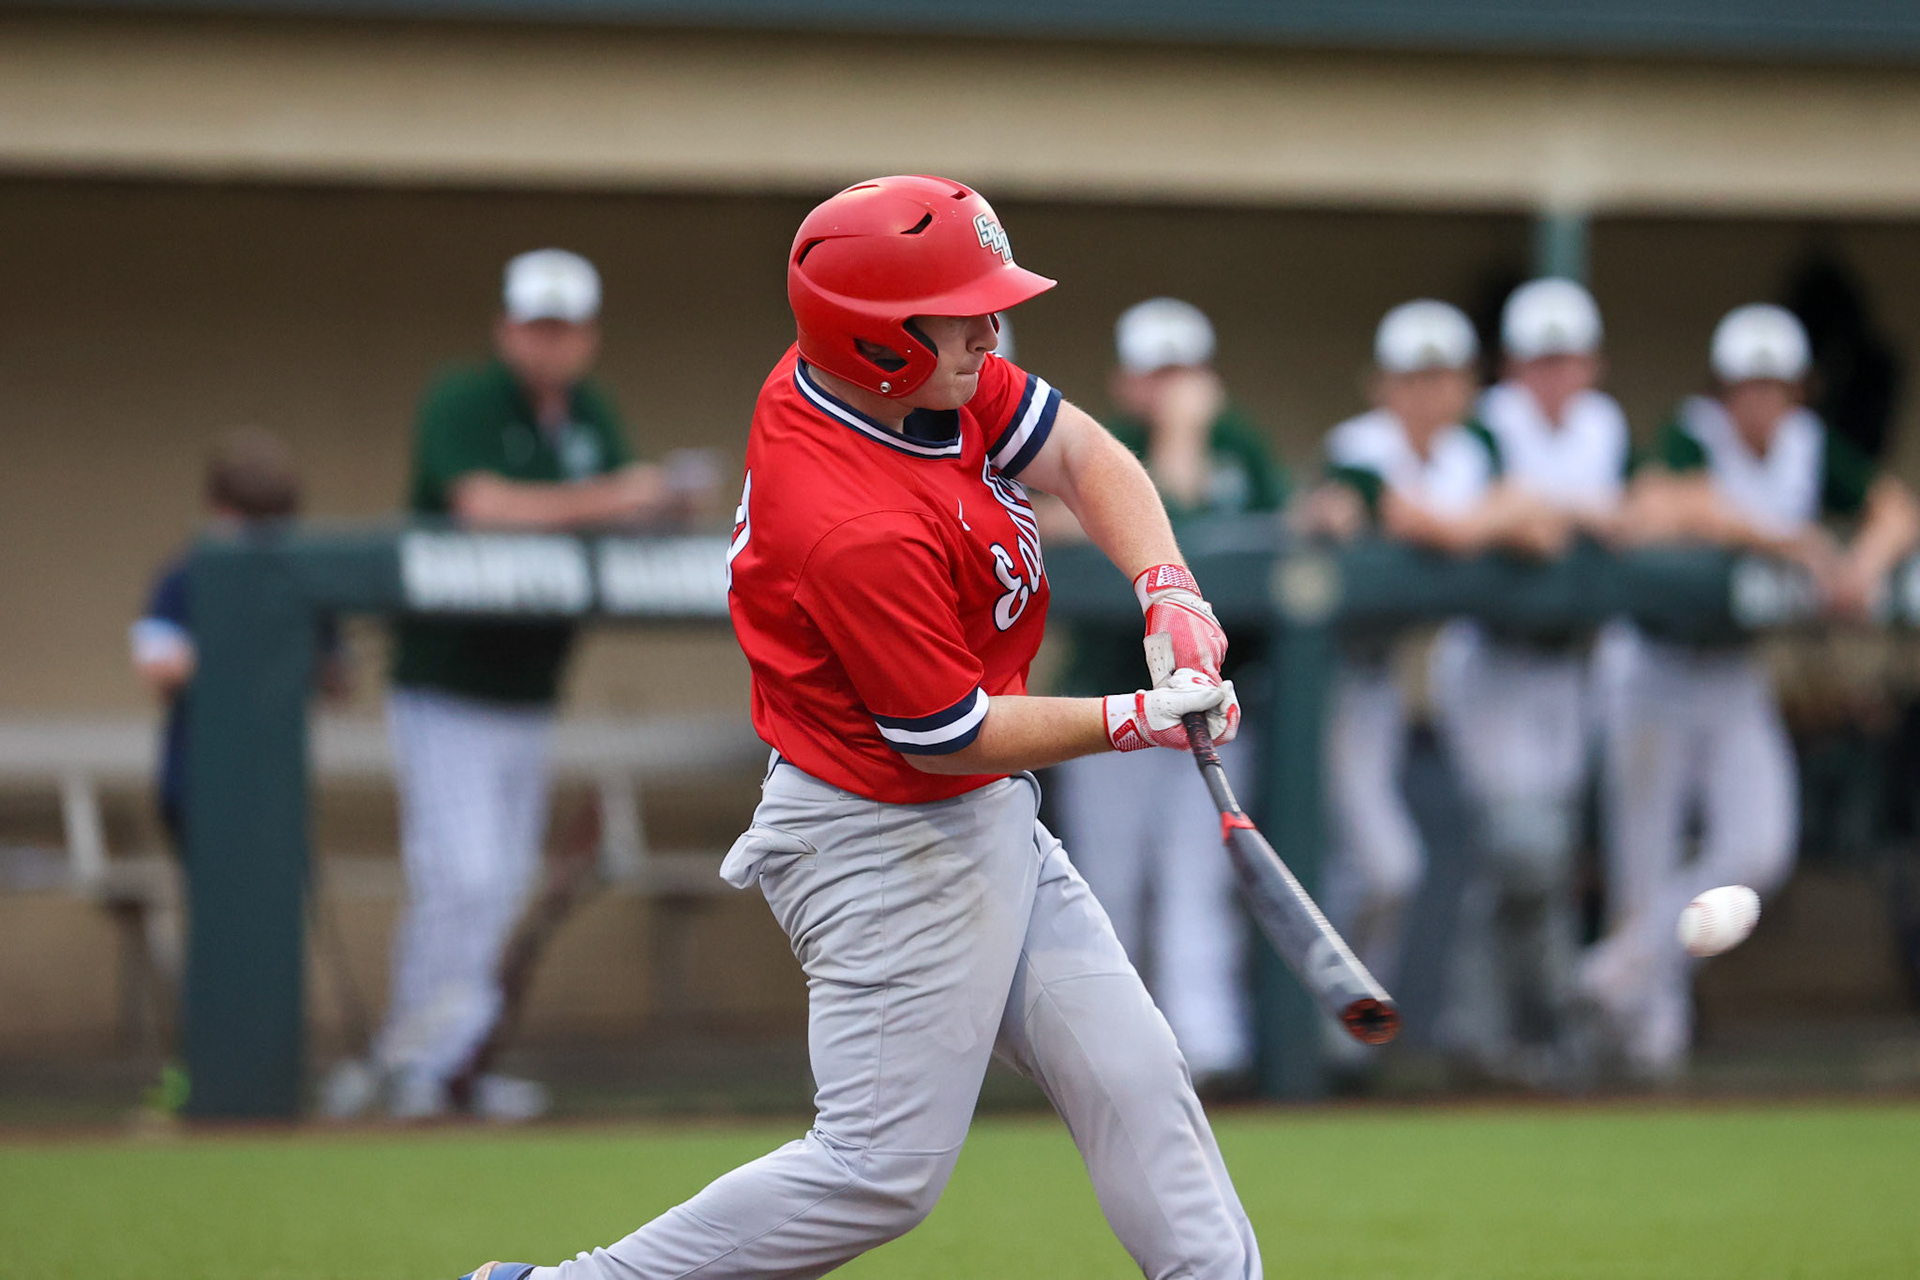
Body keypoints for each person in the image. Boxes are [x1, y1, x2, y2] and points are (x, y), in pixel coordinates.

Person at [457, 176, 1257, 1280]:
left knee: (1136, 1077)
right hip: (878, 835)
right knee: (877, 1172)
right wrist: (1134, 716)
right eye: (960, 313)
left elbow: (1082, 454)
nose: (988, 332)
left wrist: (1169, 588)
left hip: (972, 808)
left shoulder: (909, 383)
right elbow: (947, 732)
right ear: (875, 338)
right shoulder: (850, 518)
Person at [327, 248, 691, 1124]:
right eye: (537, 326)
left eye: (567, 329)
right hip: (446, 684)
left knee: (495, 885)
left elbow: (617, 509)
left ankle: (448, 1066)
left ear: (589, 337)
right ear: (506, 329)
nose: (551, 343)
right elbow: (480, 506)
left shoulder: (589, 413)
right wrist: (617, 496)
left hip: (530, 691)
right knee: (461, 875)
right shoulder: (464, 398)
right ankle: (410, 1064)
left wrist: (651, 502)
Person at [1586, 303, 1920, 1081]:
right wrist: (1796, 541)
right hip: (1653, 665)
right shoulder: (1693, 432)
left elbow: (1895, 508)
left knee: (1761, 848)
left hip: (1734, 671)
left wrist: (1861, 566)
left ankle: (1612, 974)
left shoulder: (1809, 444)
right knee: (1641, 863)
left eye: (1775, 386)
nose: (1760, 401)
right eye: (1746, 385)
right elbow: (1669, 503)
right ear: (1724, 388)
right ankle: (1646, 1040)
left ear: (1798, 390)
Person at [1309, 299, 1566, 1079]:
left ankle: (1350, 1036)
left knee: (1399, 868)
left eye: (1442, 377)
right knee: (1380, 866)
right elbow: (1413, 521)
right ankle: (1325, 1033)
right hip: (1329, 680)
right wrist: (1485, 523)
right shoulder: (1356, 447)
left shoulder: (1474, 447)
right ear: (1382, 385)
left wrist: (1478, 521)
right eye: (1412, 378)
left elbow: (1543, 528)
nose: (1428, 394)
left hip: (1395, 683)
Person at [1043, 297, 1283, 1091]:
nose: (1172, 388)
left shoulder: (1241, 444)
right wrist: (1178, 436)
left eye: (1184, 371)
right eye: (1156, 372)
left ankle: (1204, 1052)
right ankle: (1109, 1057)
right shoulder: (1102, 443)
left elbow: (1259, 546)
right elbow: (1168, 517)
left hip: (1206, 704)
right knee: (1107, 886)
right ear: (1125, 380)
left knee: (1196, 883)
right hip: (1110, 706)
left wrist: (1192, 437)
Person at [1426, 278, 1630, 1087]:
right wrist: (1553, 513)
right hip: (1492, 660)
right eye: (1540, 361)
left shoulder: (1604, 425)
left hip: (1570, 668)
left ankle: (1506, 1034)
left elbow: (1637, 512)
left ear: (1592, 364)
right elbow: (1483, 514)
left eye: (1567, 359)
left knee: (1542, 861)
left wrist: (1554, 510)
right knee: (1519, 850)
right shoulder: (1488, 425)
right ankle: (1514, 1025)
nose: (1554, 375)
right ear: (1513, 365)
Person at [132, 428, 346, 859]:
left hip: (276, 781)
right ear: (218, 511)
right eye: (248, 524)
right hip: (196, 778)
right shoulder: (183, 578)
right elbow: (157, 668)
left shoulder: (300, 583)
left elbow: (339, 681)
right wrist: (247, 652)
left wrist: (304, 662)